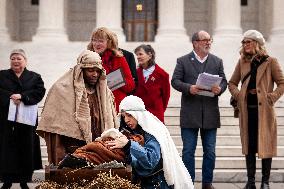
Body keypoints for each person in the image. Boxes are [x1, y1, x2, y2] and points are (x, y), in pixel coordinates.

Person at [37, 50, 118, 165]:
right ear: (81, 70)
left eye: (97, 71)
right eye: (90, 70)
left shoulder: (105, 93)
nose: (95, 74)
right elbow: (55, 128)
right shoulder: (61, 89)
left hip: (97, 149)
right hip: (71, 146)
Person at [171, 30, 227, 189]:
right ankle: (188, 182)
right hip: (190, 114)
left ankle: (207, 183)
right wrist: (189, 88)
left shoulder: (217, 61)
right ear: (195, 43)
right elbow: (175, 81)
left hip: (210, 113)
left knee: (210, 152)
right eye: (205, 40)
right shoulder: (182, 61)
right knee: (188, 151)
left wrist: (220, 89)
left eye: (210, 40)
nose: (208, 43)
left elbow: (224, 82)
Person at [228, 30, 284, 189]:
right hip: (247, 111)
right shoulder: (242, 62)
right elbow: (232, 83)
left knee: (266, 146)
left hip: (265, 112)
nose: (245, 45)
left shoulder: (271, 61)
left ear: (257, 44)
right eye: (244, 42)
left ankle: (265, 182)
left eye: (248, 42)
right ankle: (250, 181)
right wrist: (239, 95)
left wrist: (271, 97)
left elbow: (282, 83)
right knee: (250, 147)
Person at [106, 95, 194, 189]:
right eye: (124, 116)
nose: (126, 120)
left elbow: (150, 161)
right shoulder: (133, 131)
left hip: (158, 184)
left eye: (129, 115)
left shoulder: (152, 131)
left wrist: (128, 144)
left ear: (138, 114)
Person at [0, 49, 46, 189]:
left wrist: (23, 97)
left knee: (26, 149)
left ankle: (24, 181)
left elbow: (39, 92)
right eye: (13, 58)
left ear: (25, 61)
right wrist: (10, 97)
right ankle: (6, 181)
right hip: (5, 120)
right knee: (6, 149)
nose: (15, 61)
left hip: (27, 120)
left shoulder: (34, 77)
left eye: (18, 58)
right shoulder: (2, 75)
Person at [87, 27, 135, 111]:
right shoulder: (86, 58)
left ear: (108, 43)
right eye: (94, 40)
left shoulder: (118, 58)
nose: (97, 44)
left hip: (114, 106)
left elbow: (130, 86)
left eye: (101, 41)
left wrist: (111, 80)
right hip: (94, 106)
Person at [134, 44, 170, 123]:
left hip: (155, 114)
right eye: (137, 55)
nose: (138, 57)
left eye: (140, 54)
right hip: (139, 114)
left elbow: (166, 96)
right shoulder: (135, 73)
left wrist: (158, 109)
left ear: (150, 55)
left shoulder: (162, 74)